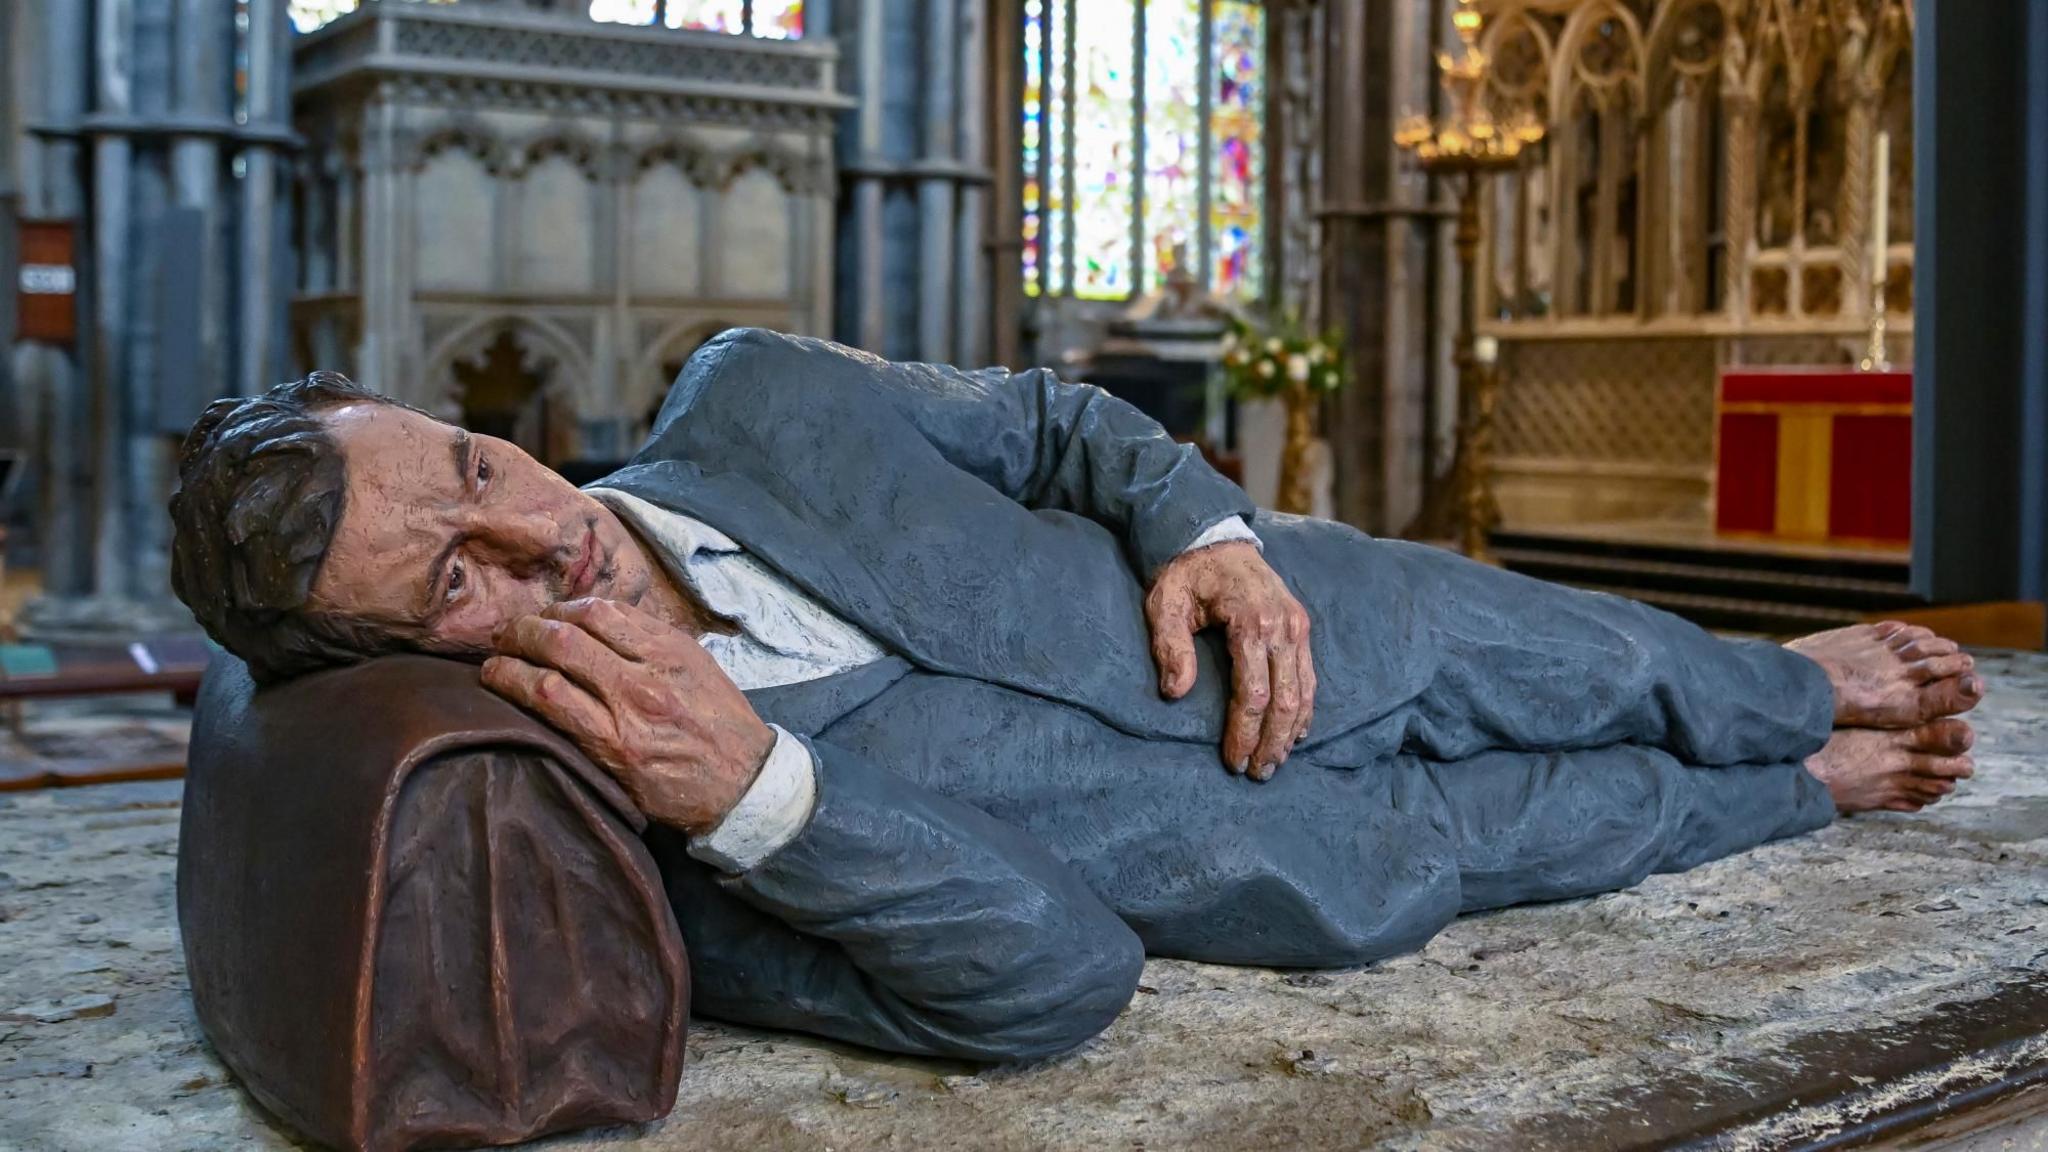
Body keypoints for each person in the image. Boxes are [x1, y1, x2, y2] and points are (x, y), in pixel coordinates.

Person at [168, 328, 1984, 1061]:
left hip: (1304, 615)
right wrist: (752, 789)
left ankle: (1767, 685)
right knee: (1570, 822)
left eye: (481, 468)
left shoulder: (749, 402)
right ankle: (1795, 778)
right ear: (403, 666)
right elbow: (1054, 983)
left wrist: (1204, 529)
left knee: (1585, 654)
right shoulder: (664, 842)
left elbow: (1047, 420)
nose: (529, 540)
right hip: (1298, 851)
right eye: (448, 585)